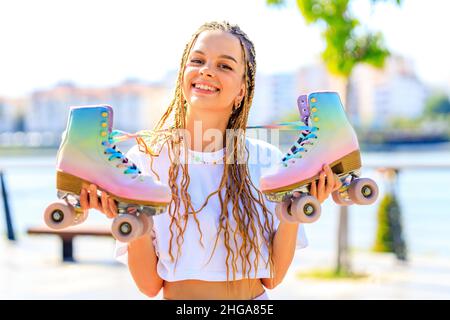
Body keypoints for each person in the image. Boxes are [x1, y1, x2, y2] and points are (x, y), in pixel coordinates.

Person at [79, 21, 341, 300]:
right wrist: (131, 220)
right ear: (183, 74)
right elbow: (149, 285)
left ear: (242, 90)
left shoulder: (269, 162)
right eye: (198, 60)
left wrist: (293, 213)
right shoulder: (143, 162)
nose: (206, 70)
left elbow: (272, 278)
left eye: (224, 66)